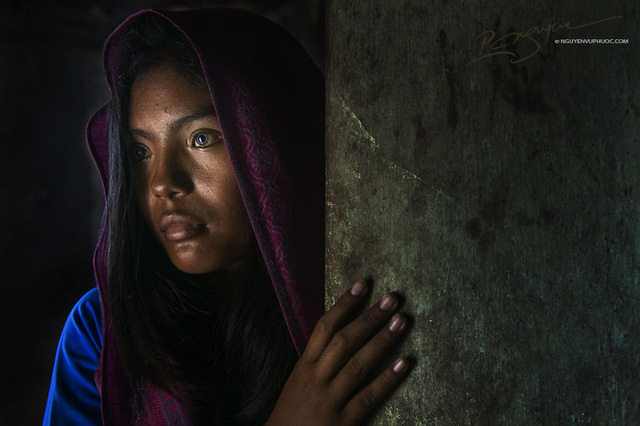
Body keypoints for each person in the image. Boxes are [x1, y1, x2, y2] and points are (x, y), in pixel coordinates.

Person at [44, 7, 411, 425]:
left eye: (202, 138)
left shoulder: (346, 307)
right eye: (140, 152)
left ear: (273, 141)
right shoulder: (100, 332)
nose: (163, 182)